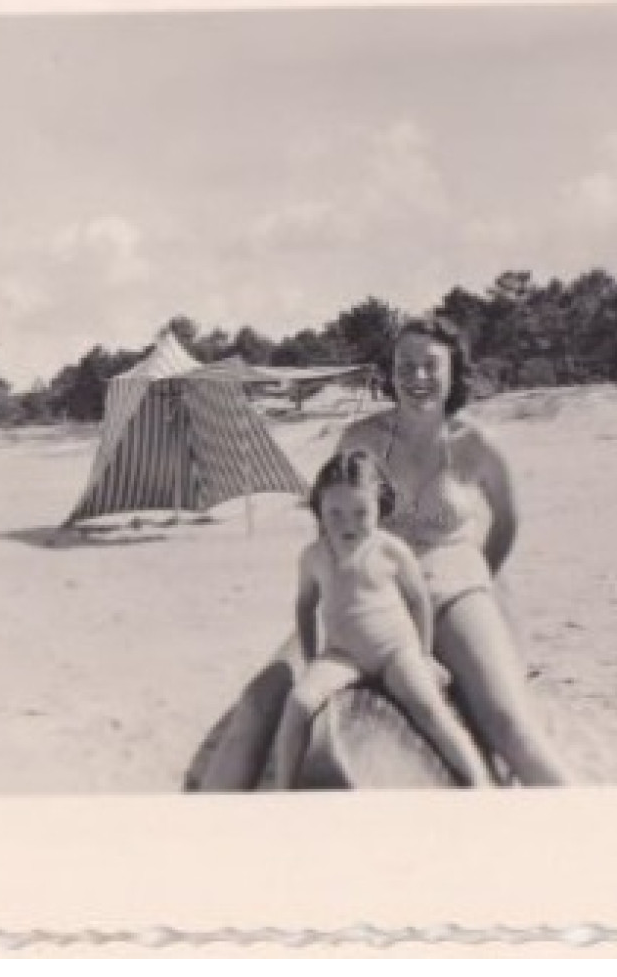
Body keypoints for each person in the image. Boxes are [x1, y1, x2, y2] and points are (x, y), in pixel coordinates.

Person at [192, 315, 573, 789]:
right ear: (389, 372)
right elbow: (331, 522)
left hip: (450, 588)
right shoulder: (361, 439)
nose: (417, 377)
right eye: (405, 365)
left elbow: (508, 521)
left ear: (454, 369)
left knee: (510, 727)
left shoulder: (477, 446)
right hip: (364, 593)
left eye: (430, 365)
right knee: (256, 704)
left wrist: (480, 582)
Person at [266, 451, 491, 789]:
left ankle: (480, 781)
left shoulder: (390, 549)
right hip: (343, 656)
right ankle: (283, 789)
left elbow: (418, 600)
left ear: (380, 509)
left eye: (361, 512)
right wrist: (314, 660)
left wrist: (425, 655)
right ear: (320, 510)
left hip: (394, 652)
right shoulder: (313, 557)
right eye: (335, 513)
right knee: (298, 704)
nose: (348, 523)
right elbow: (305, 607)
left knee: (430, 710)